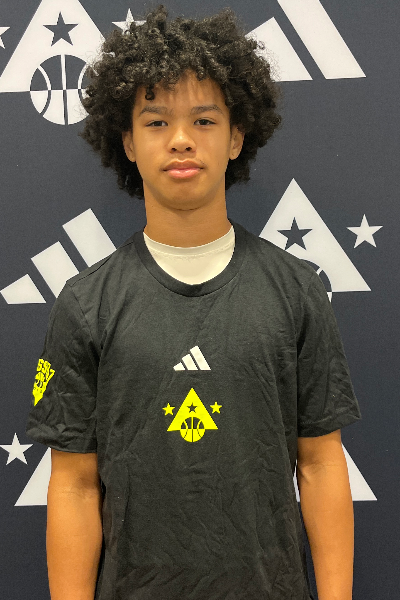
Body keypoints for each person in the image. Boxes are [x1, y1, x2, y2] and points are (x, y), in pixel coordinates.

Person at [26, 4, 362, 600]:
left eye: (204, 120)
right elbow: (73, 485)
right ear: (127, 142)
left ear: (236, 137)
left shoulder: (297, 290)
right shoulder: (86, 304)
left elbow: (320, 464)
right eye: (156, 122)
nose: (181, 139)